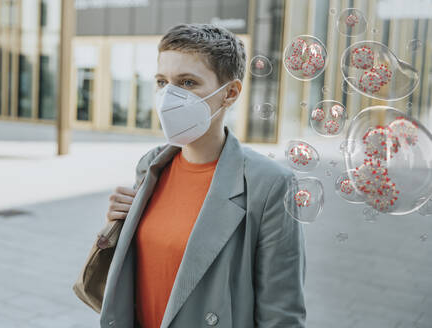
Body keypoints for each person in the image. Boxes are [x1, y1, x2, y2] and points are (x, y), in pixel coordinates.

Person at [102, 23, 306, 328]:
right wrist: (116, 227)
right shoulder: (151, 164)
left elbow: (282, 314)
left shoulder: (270, 185)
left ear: (230, 93)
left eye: (187, 82)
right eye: (162, 82)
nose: (168, 96)